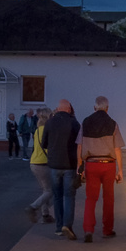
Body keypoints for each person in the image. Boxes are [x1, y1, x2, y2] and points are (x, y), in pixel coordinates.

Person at [78, 96, 123, 242]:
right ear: (107, 108)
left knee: (90, 198)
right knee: (108, 198)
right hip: (108, 164)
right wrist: (120, 170)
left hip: (91, 163)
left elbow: (79, 145)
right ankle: (107, 230)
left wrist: (80, 166)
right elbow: (117, 149)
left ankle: (88, 229)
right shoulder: (113, 124)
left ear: (94, 108)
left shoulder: (85, 122)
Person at [41, 100, 82, 240]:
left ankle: (58, 227)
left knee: (57, 196)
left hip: (54, 165)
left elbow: (44, 143)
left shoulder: (50, 122)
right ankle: (67, 225)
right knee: (69, 196)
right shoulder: (74, 123)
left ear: (58, 109)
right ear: (69, 109)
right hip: (70, 165)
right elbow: (80, 144)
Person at [26, 112, 53, 223]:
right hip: (43, 163)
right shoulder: (48, 131)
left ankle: (45, 214)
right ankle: (33, 207)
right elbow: (48, 148)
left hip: (34, 162)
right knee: (50, 191)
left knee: (45, 189)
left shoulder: (37, 131)